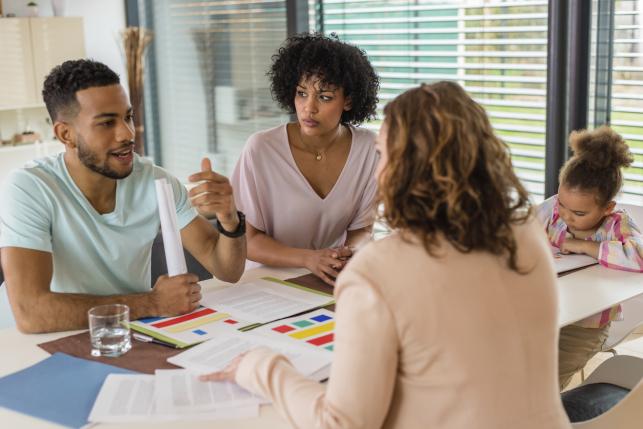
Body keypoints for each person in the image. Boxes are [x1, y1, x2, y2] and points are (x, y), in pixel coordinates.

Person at [201, 82, 571, 428]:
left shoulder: (377, 271)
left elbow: (343, 423)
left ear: (402, 168)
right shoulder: (527, 234)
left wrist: (259, 367)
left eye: (381, 155)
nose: (377, 170)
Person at [0, 59, 246, 334]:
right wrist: (151, 303)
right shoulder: (29, 188)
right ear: (66, 134)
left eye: (127, 117)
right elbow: (31, 313)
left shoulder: (156, 181)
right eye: (106, 123)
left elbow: (227, 270)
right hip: (49, 342)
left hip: (132, 334)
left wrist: (229, 219)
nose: (127, 134)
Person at [229, 33, 380, 285]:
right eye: (301, 93)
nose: (308, 108)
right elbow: (247, 241)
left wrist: (347, 254)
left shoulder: (368, 149)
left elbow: (362, 231)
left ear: (349, 100)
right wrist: (309, 258)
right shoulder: (261, 149)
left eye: (324, 97)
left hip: (328, 277)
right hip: (263, 283)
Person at [536, 126, 643, 390]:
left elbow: (640, 256)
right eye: (562, 204)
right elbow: (516, 232)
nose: (566, 216)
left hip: (585, 329)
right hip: (544, 316)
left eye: (579, 213)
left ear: (607, 208)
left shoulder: (617, 224)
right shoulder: (551, 210)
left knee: (544, 384)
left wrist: (584, 247)